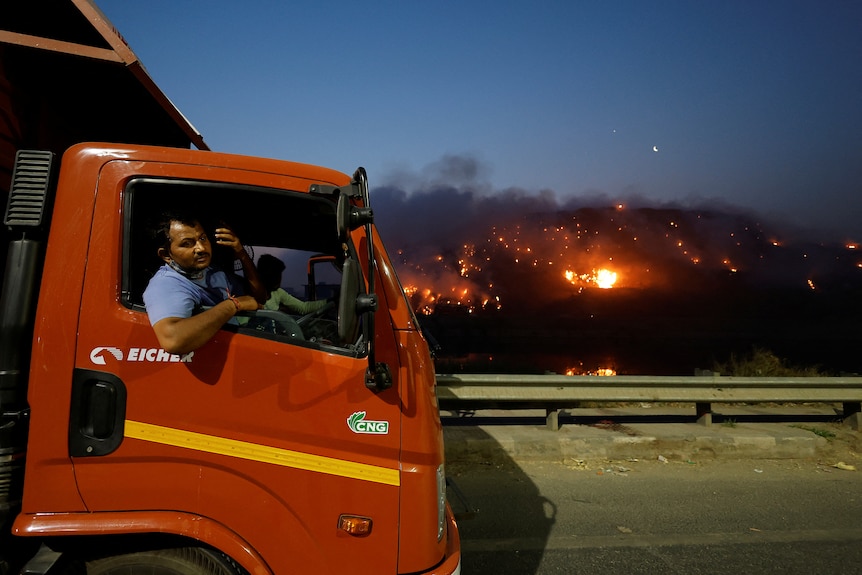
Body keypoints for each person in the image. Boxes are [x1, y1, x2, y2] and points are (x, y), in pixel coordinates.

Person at [143, 211, 267, 354]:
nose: (201, 248)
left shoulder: (211, 271)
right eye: (187, 244)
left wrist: (240, 252)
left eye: (202, 238)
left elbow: (259, 298)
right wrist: (233, 305)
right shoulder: (166, 284)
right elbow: (173, 341)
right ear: (165, 255)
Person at [256, 253, 330, 315]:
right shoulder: (252, 296)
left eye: (279, 275)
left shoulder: (278, 293)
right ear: (266, 275)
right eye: (275, 275)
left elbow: (303, 308)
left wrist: (330, 302)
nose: (279, 279)